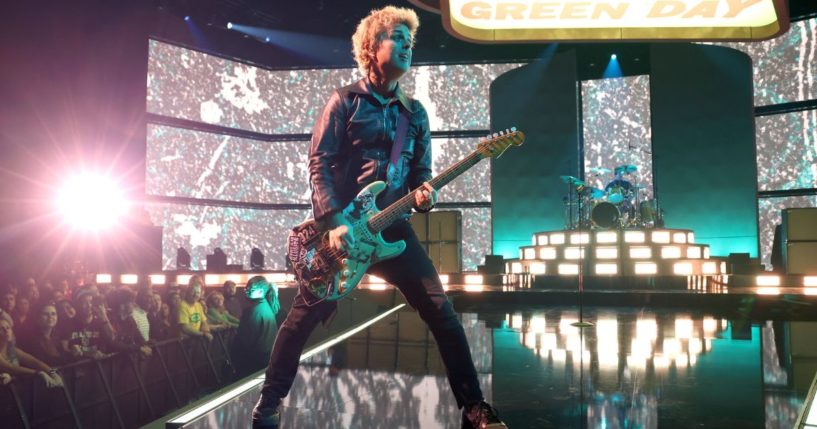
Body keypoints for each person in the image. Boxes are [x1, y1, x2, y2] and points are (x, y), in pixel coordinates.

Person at [252, 6, 506, 429]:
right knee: (302, 318)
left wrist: (425, 196)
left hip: (391, 228)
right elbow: (319, 164)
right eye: (398, 38)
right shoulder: (344, 101)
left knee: (441, 311)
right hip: (342, 231)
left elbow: (421, 178)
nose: (408, 46)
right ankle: (269, 403)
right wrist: (333, 222)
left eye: (411, 41)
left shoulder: (416, 114)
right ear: (372, 46)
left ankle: (474, 406)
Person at [231, 276, 279, 379]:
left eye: (250, 288)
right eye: (246, 287)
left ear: (261, 291)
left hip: (252, 363)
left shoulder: (252, 312)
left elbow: (244, 340)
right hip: (264, 360)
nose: (246, 290)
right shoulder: (267, 307)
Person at [0, 319, 63, 388]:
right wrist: (37, 373)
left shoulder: (12, 349)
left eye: (8, 327)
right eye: (1, 329)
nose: (6, 331)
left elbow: (35, 362)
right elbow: (10, 367)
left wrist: (53, 373)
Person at [177, 276, 213, 342]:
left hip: (195, 341)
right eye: (193, 292)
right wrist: (203, 334)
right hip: (184, 344)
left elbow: (204, 322)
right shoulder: (182, 305)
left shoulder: (198, 305)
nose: (195, 295)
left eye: (198, 292)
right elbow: (185, 328)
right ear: (187, 292)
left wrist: (206, 331)